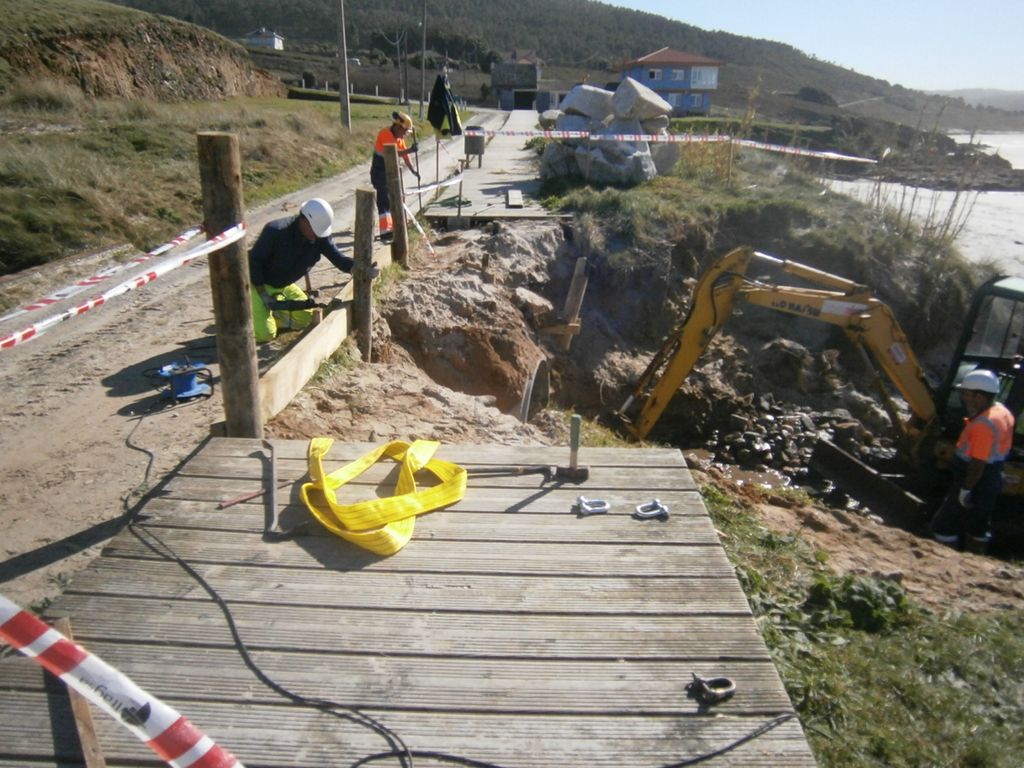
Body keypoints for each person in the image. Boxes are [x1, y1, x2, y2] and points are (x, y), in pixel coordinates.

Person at [248, 198, 358, 343]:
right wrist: (262, 294)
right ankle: (247, 313)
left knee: (306, 319)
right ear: (304, 221)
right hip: (257, 285)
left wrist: (358, 268)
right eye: (315, 231)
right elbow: (253, 263)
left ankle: (272, 314)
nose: (318, 236)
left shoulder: (319, 237)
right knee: (265, 335)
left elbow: (338, 258)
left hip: (283, 285)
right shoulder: (275, 232)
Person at [930, 369, 1015, 553]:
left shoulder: (984, 424)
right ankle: (975, 559)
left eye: (967, 394)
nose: (964, 398)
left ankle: (946, 561)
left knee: (943, 525)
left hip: (977, 480)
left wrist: (966, 490)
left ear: (979, 396)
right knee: (978, 524)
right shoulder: (1002, 411)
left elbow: (978, 463)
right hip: (992, 477)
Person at [370, 111, 419, 243]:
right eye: (404, 131)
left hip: (390, 174)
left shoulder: (399, 138)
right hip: (379, 172)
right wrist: (410, 149)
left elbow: (405, 156)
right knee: (384, 201)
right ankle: (385, 232)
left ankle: (394, 228)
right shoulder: (385, 134)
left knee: (395, 199)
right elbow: (393, 153)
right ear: (397, 127)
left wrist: (414, 170)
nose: (404, 134)